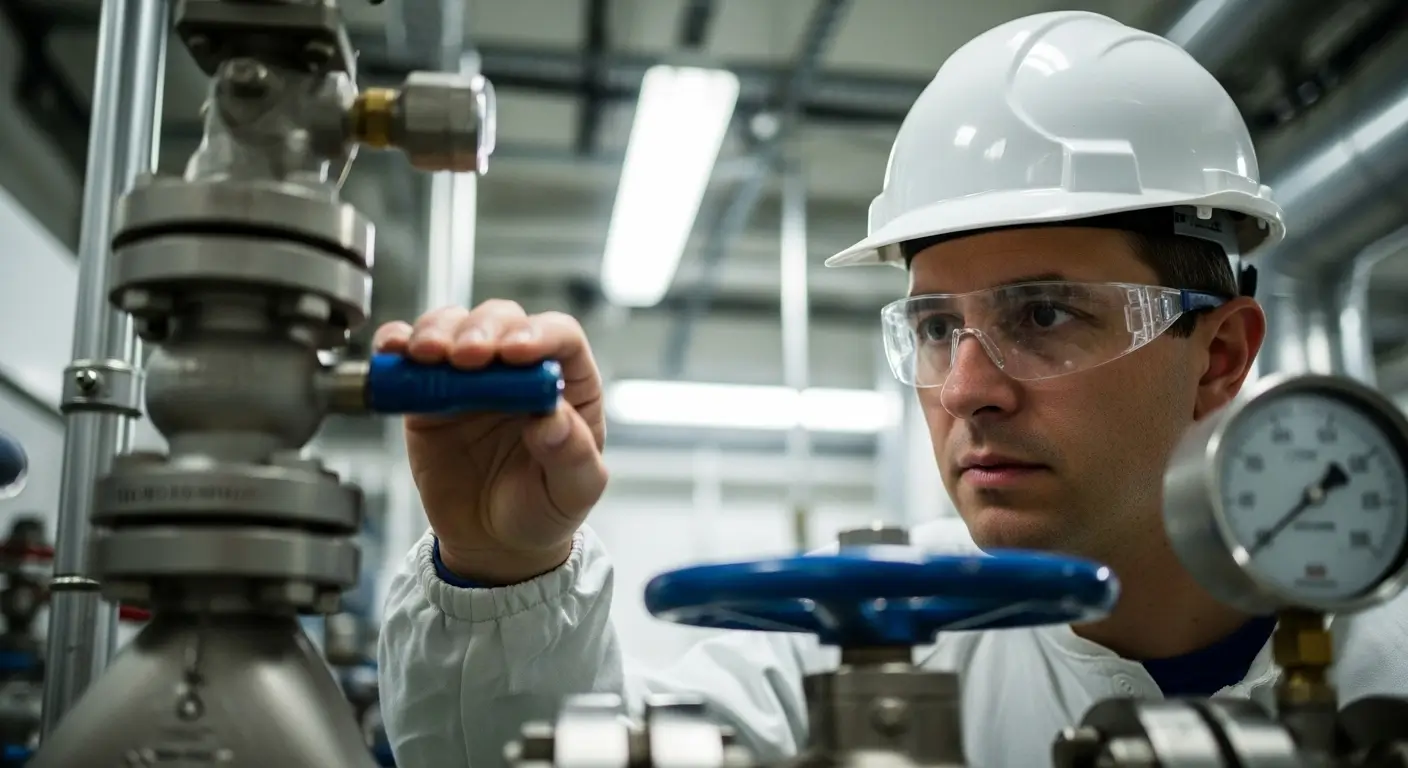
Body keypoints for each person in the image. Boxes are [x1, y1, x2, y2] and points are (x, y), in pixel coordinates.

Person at [375, 10, 1408, 767]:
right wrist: (503, 570)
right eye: (932, 326)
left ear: (1219, 355)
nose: (967, 388)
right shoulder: (848, 642)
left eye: (1043, 317)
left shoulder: (1386, 669)